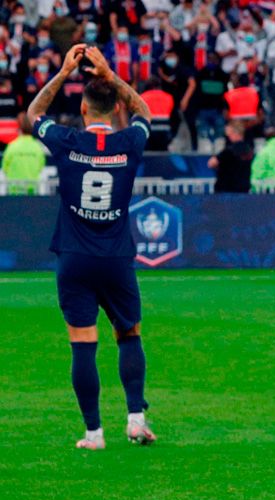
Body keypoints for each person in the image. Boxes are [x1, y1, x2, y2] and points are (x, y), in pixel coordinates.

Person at [29, 44, 157, 450]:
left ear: (84, 111)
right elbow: (146, 114)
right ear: (114, 107)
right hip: (116, 257)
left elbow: (33, 115)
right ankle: (136, 419)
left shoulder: (67, 142)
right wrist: (112, 75)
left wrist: (66, 72)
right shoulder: (130, 143)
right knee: (129, 335)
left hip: (75, 258)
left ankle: (93, 433)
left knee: (82, 342)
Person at [2, 113, 46, 194]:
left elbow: (4, 169)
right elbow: (41, 169)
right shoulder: (38, 147)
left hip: (13, 195)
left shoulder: (11, 146)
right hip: (32, 194)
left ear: (19, 128)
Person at [207, 121, 252, 193]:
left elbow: (211, 163)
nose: (228, 137)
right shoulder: (248, 149)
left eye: (229, 134)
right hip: (243, 190)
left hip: (227, 191)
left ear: (235, 133)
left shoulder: (230, 150)